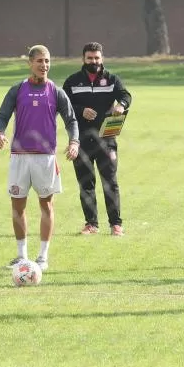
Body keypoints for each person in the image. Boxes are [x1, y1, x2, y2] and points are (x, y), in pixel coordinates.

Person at [0, 45, 80, 271]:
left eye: (48, 61)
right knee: (17, 206)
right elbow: (3, 114)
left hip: (45, 159)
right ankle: (22, 256)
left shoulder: (56, 91)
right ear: (30, 63)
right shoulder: (17, 90)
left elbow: (71, 120)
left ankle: (42, 257)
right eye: (40, 61)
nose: (45, 66)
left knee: (46, 206)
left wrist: (74, 142)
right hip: (19, 157)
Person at [62, 42, 132, 236]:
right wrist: (80, 110)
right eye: (90, 58)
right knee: (86, 183)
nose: (94, 61)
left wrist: (122, 105)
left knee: (110, 182)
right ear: (83, 59)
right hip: (81, 139)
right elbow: (63, 104)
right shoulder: (73, 81)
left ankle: (116, 224)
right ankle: (91, 224)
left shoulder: (111, 80)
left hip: (106, 138)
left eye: (97, 58)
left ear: (102, 59)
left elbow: (125, 95)